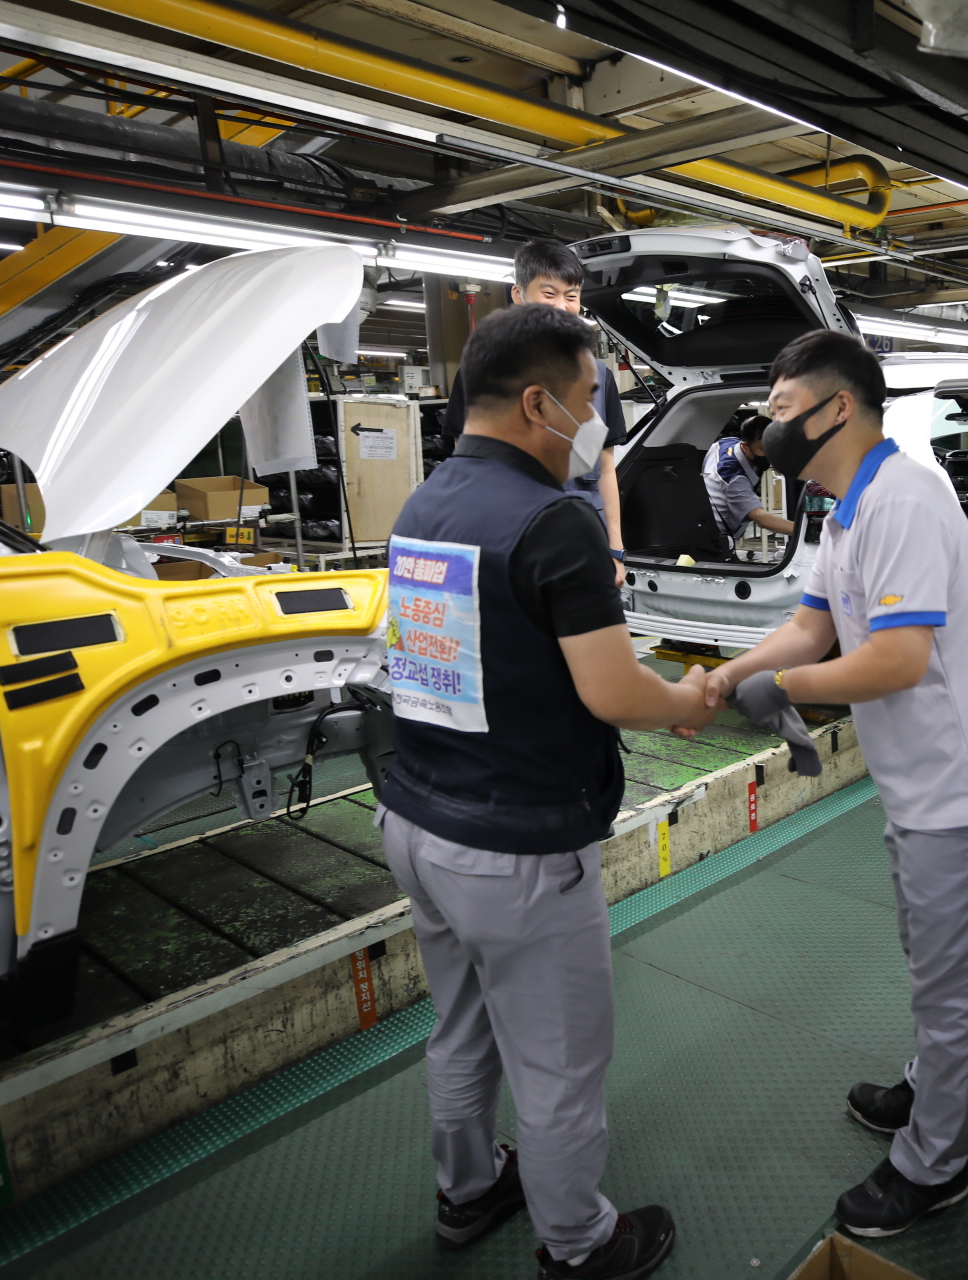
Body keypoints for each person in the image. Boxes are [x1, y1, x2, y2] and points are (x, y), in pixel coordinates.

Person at [384, 303, 707, 1280]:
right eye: (588, 397)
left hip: (418, 819)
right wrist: (688, 697)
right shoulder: (556, 521)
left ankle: (468, 1188)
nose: (595, 419)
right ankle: (580, 1243)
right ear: (537, 403)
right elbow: (614, 691)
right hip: (516, 848)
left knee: (461, 1026)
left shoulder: (423, 504)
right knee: (560, 1064)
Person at [704, 330, 968, 1238]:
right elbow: (810, 628)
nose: (770, 429)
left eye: (782, 410)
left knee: (955, 983)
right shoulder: (847, 509)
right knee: (936, 961)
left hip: (965, 793)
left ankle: (936, 1168)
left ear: (837, 408)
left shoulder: (904, 502)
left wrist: (784, 688)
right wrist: (729, 676)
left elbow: (895, 659)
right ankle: (934, 1089)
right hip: (924, 788)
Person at [443, 239, 631, 585]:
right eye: (549, 293)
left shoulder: (600, 379)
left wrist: (615, 550)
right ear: (518, 294)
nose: (561, 306)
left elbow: (605, 470)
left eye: (571, 296)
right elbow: (467, 473)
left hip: (582, 543)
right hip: (509, 543)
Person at [703, 411, 793, 544]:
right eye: (763, 449)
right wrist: (804, 530)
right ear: (745, 447)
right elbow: (761, 518)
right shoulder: (735, 478)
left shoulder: (726, 443)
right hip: (714, 539)